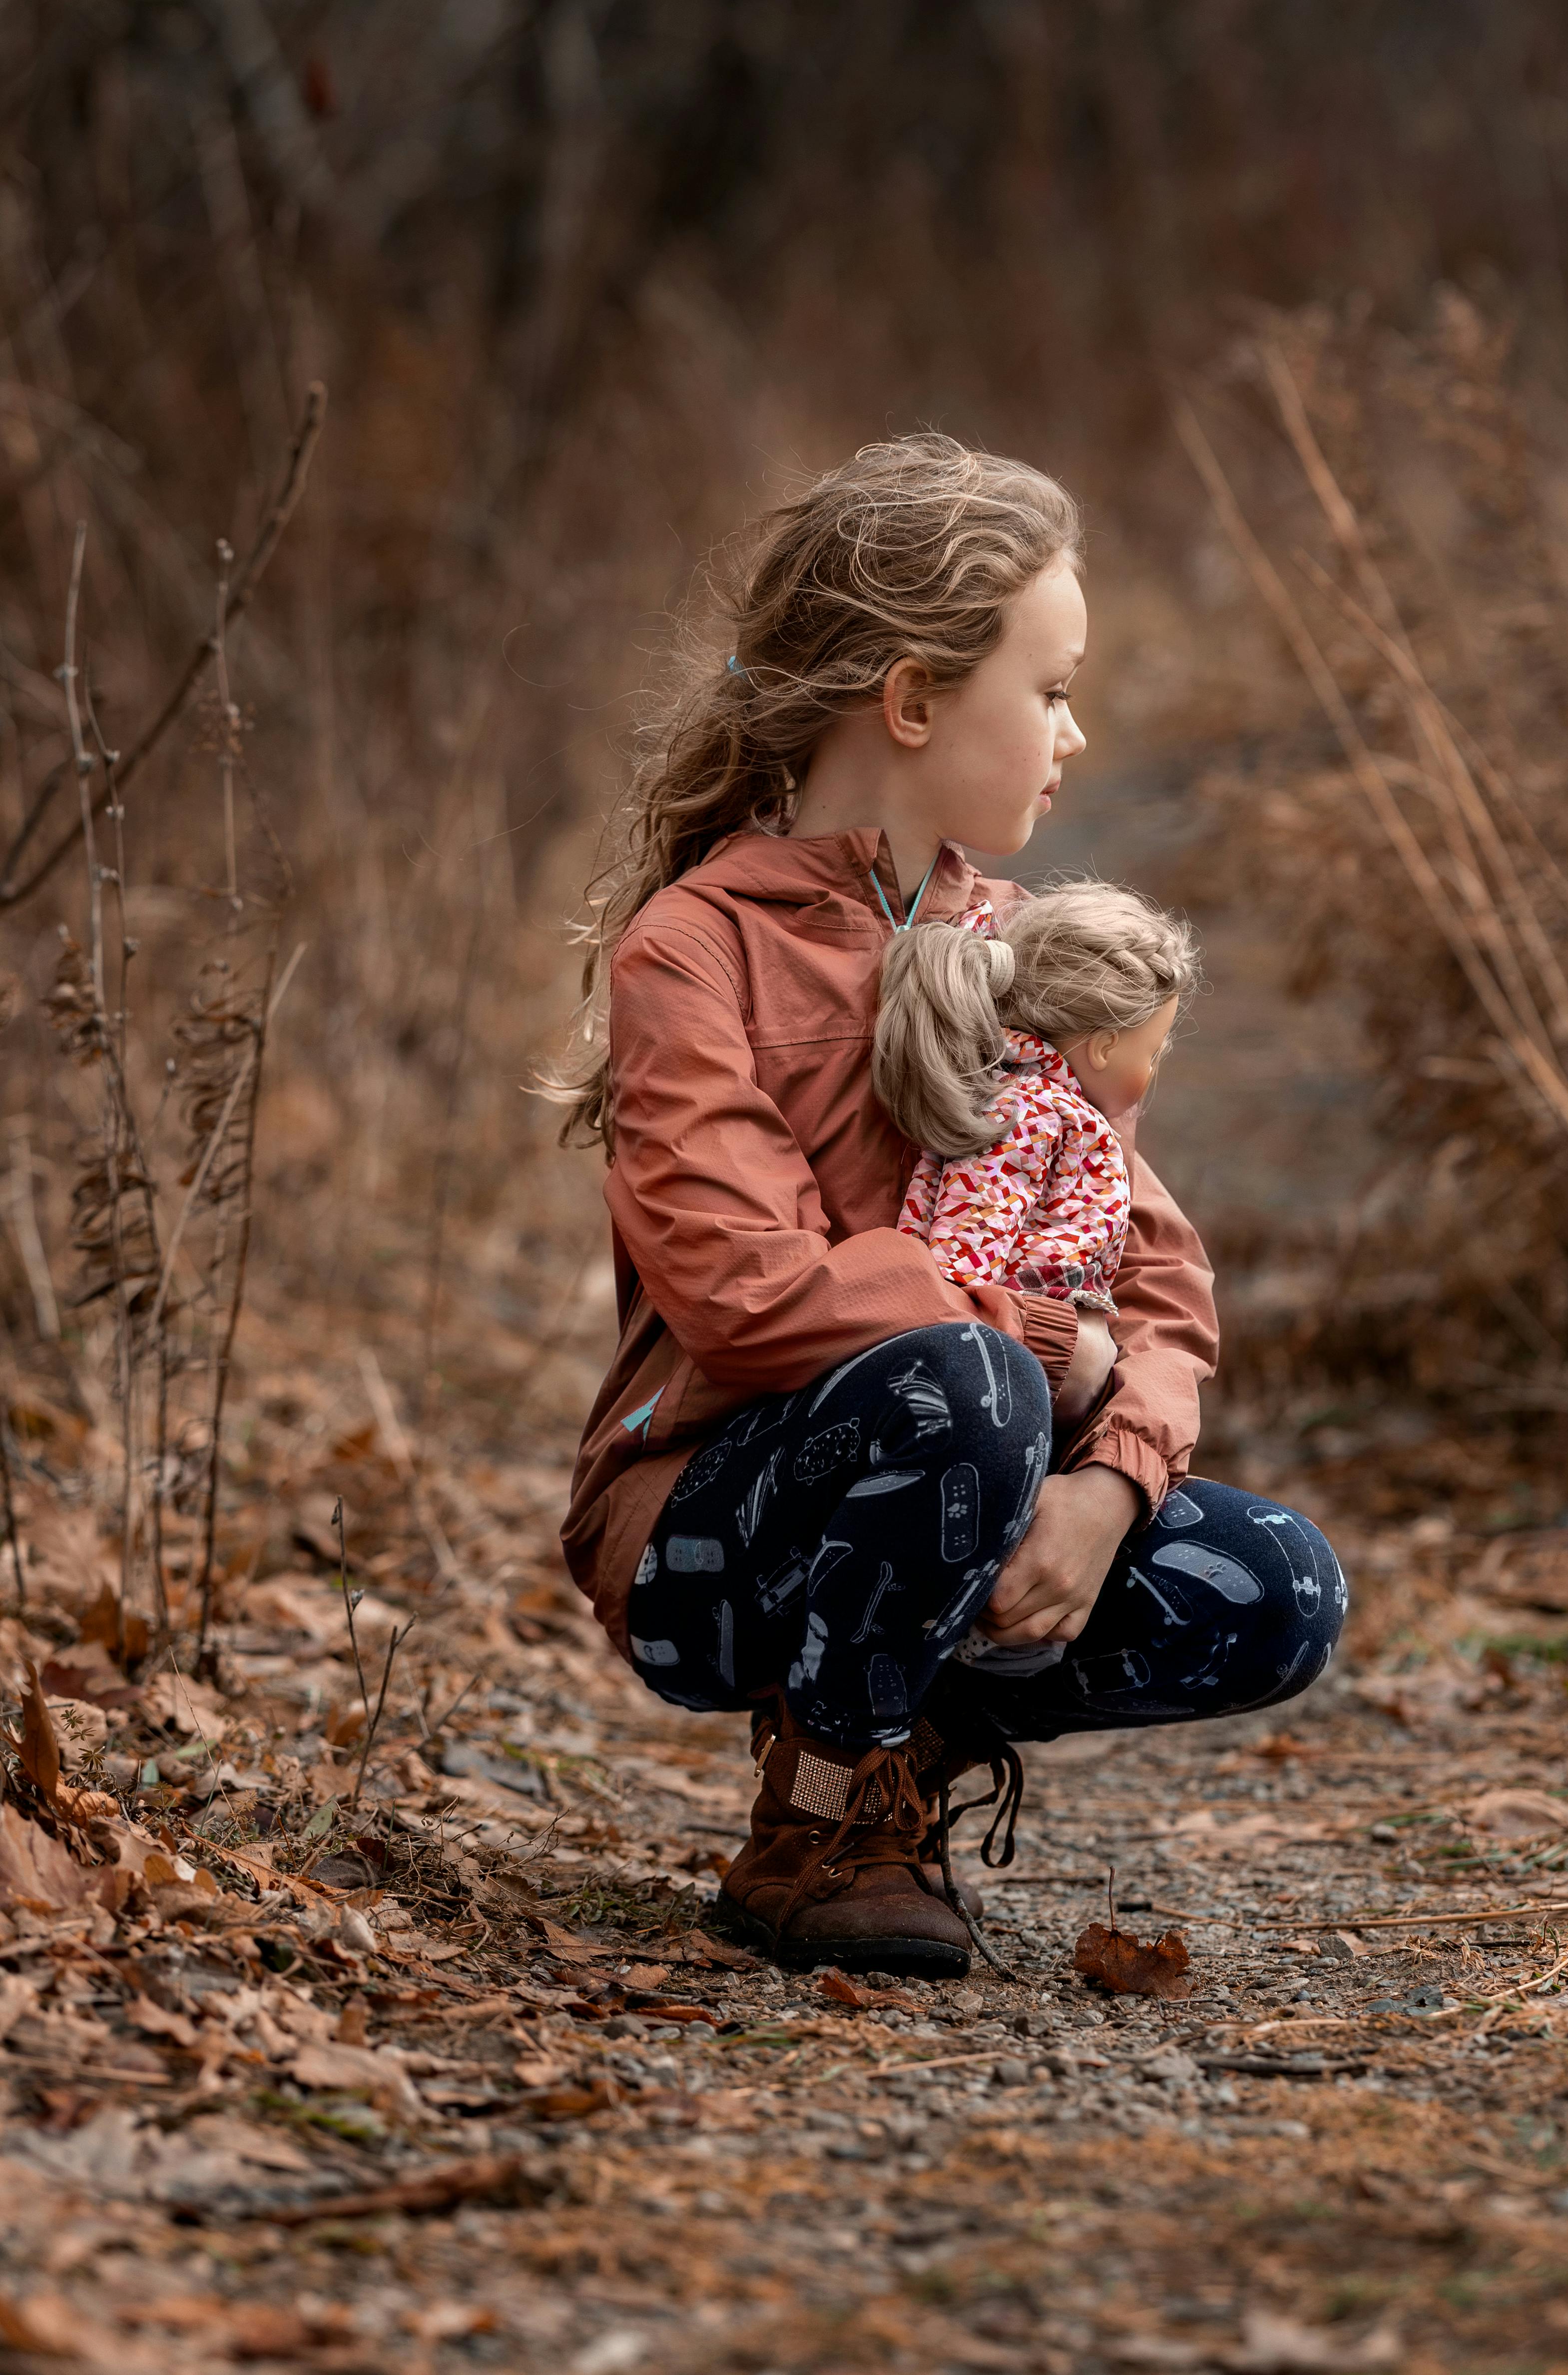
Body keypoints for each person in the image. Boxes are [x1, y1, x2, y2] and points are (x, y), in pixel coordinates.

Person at [552, 434, 1345, 1977]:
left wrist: (1108, 1485)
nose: (1074, 732)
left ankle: (900, 1720)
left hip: (979, 1474)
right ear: (912, 700)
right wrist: (1045, 1343)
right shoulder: (692, 951)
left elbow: (1160, 1290)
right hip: (711, 1535)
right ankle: (823, 1818)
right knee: (963, 1381)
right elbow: (747, 1290)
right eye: (1045, 691)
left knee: (1281, 1584)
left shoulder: (1035, 950)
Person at [881, 880, 1200, 1327]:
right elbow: (964, 1250)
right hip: (1001, 1352)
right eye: (1151, 1053)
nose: (1153, 1072)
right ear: (1105, 1047)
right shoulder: (1028, 1113)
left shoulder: (1052, 1109)